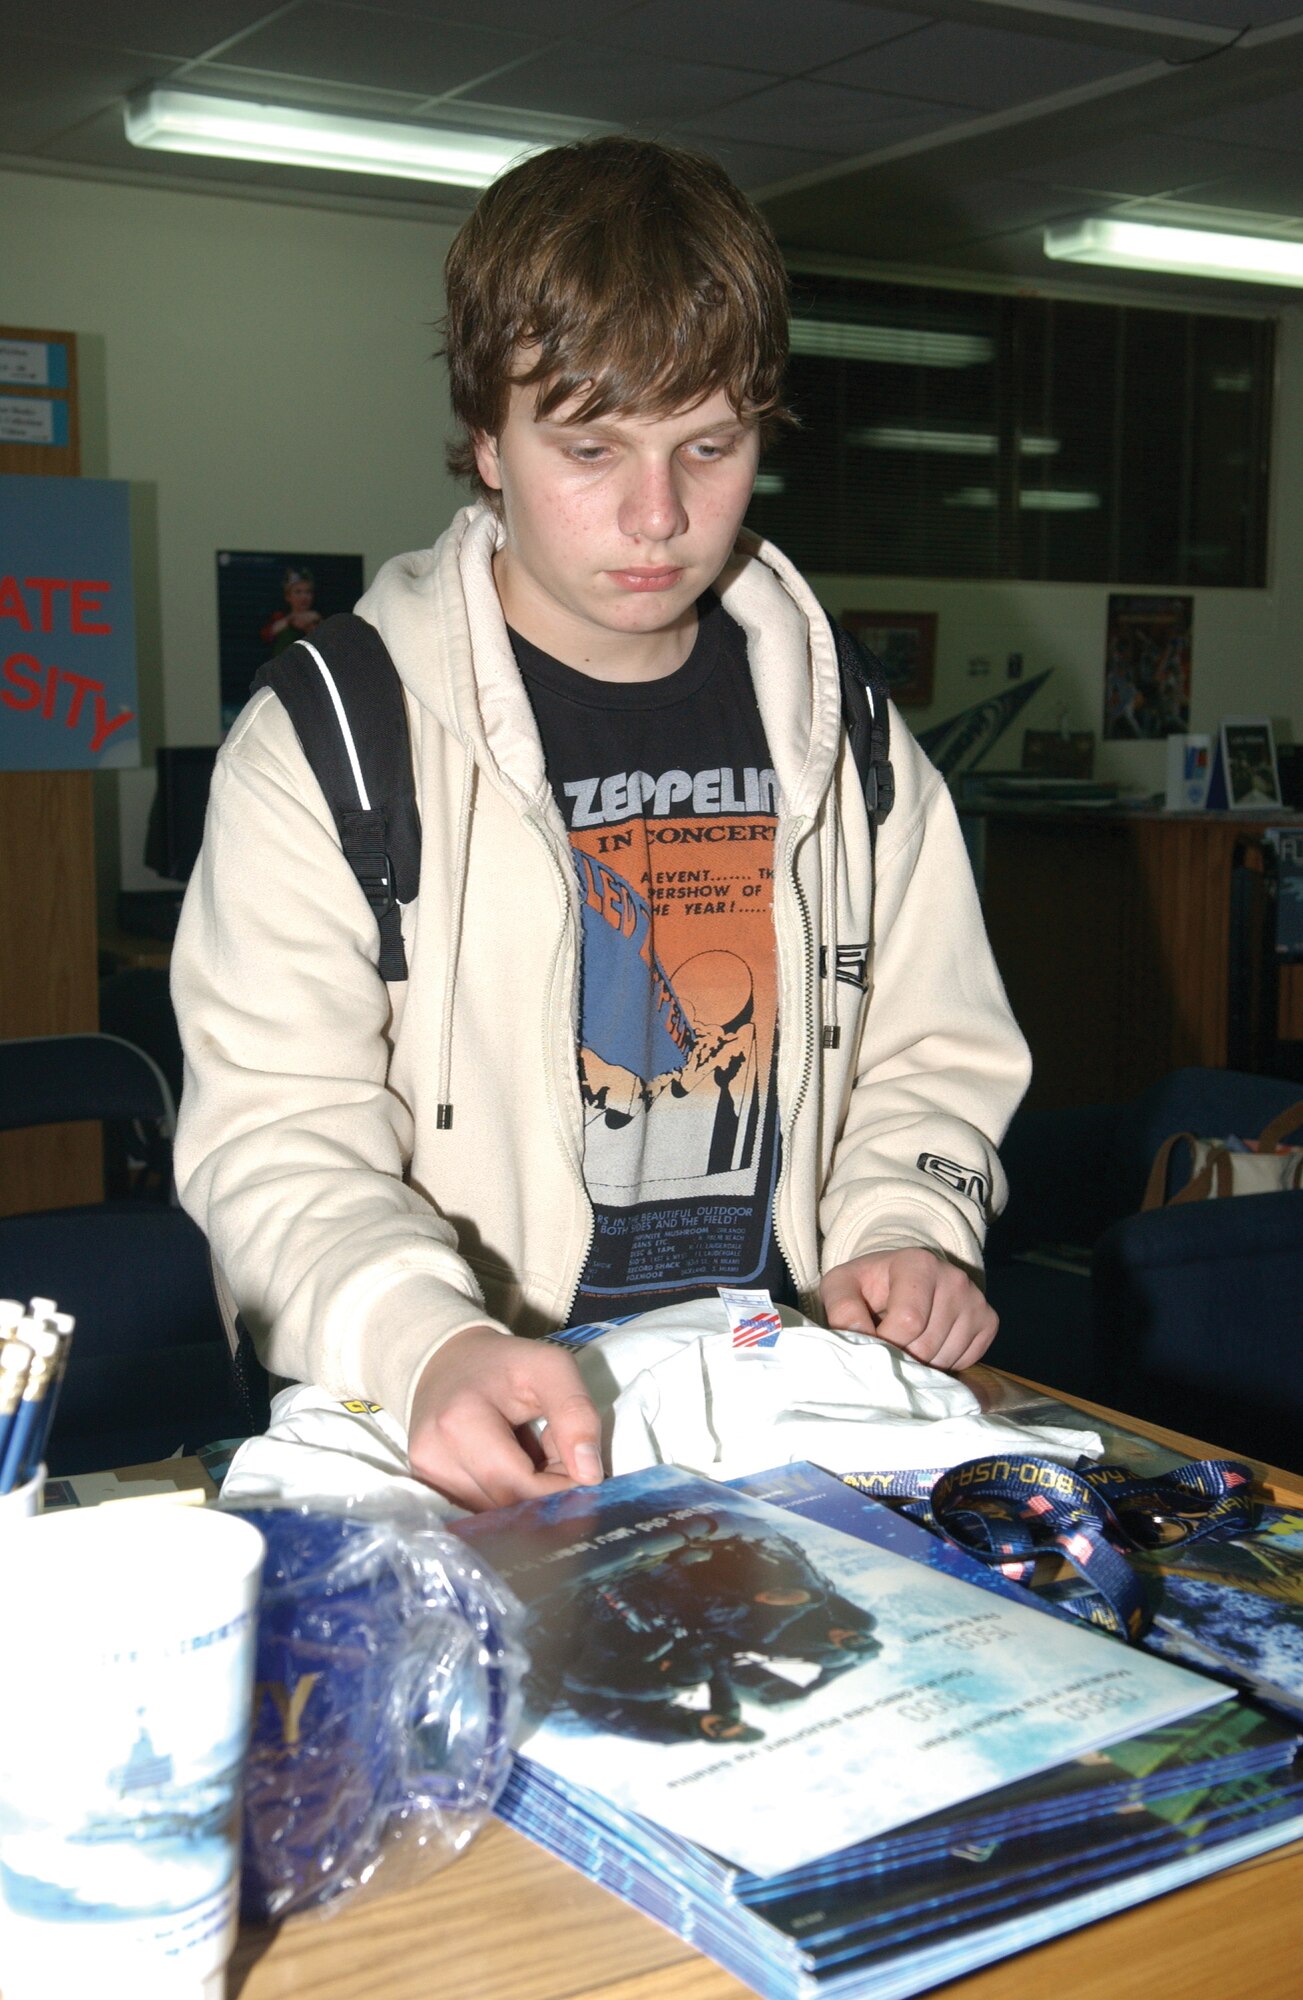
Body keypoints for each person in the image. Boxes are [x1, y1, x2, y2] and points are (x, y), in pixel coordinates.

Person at [172, 137, 1031, 1515]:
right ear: (483, 443)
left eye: (712, 445)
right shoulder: (331, 734)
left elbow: (930, 1049)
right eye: (590, 449)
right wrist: (425, 1337)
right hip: (466, 1418)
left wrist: (908, 1227)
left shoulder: (843, 726)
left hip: (786, 1397)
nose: (658, 516)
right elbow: (277, 1131)